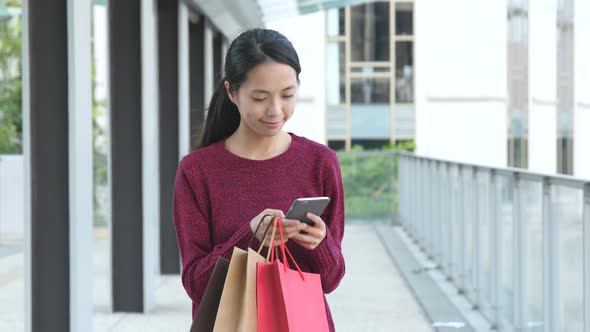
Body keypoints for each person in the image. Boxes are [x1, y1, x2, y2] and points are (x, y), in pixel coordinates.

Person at [173, 28, 345, 331]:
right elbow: (196, 284)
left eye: (288, 95)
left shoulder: (320, 162)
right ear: (231, 92)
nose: (276, 110)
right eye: (260, 98)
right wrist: (250, 237)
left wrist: (321, 244)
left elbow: (331, 281)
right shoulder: (197, 172)